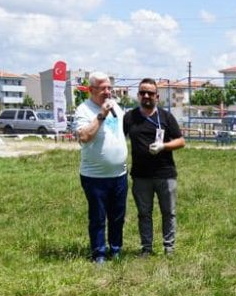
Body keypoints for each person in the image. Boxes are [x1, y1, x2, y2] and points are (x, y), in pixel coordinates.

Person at [124, 78, 186, 256]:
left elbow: (181, 141)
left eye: (150, 93)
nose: (146, 96)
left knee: (169, 212)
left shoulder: (166, 117)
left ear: (157, 97)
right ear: (138, 95)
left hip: (165, 174)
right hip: (141, 176)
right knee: (144, 214)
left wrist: (164, 146)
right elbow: (119, 138)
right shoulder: (130, 117)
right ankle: (147, 248)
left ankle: (169, 248)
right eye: (142, 92)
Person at [73, 71, 128, 264]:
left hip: (119, 173)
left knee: (118, 216)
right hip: (95, 176)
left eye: (109, 88)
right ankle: (99, 253)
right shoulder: (84, 110)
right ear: (91, 90)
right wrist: (102, 114)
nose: (107, 92)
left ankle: (116, 249)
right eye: (103, 88)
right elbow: (85, 137)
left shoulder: (117, 107)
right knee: (98, 217)